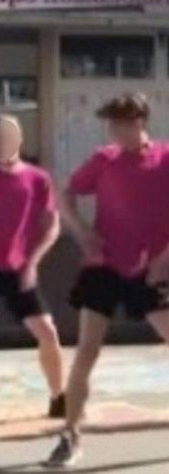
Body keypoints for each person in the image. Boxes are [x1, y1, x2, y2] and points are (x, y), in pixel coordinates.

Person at [45, 93, 169, 467]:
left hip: (151, 271)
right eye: (110, 124)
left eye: (120, 123)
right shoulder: (103, 159)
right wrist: (81, 231)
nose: (113, 131)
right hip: (104, 268)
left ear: (140, 122)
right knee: (87, 351)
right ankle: (70, 436)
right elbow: (65, 193)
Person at [0, 114, 65, 418]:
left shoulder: (37, 179)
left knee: (47, 332)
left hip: (18, 270)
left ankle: (58, 397)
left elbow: (52, 225)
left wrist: (33, 261)